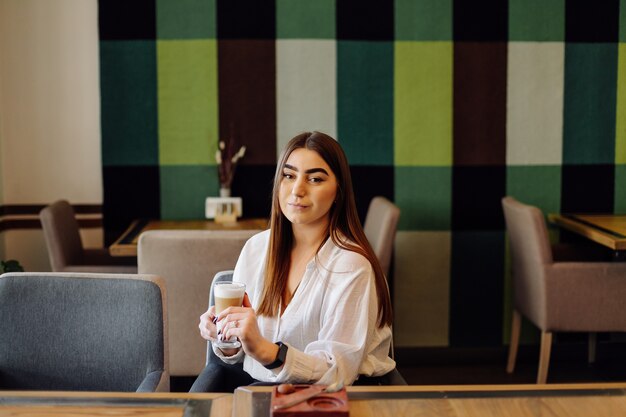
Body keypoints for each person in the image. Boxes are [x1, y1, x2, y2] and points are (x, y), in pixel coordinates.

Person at [195, 131, 395, 392]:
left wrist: (269, 352)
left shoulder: (352, 265)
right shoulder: (256, 249)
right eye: (289, 176)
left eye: (315, 179)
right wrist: (224, 336)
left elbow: (338, 372)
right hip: (261, 389)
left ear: (339, 191)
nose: (297, 190)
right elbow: (238, 355)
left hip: (340, 397)